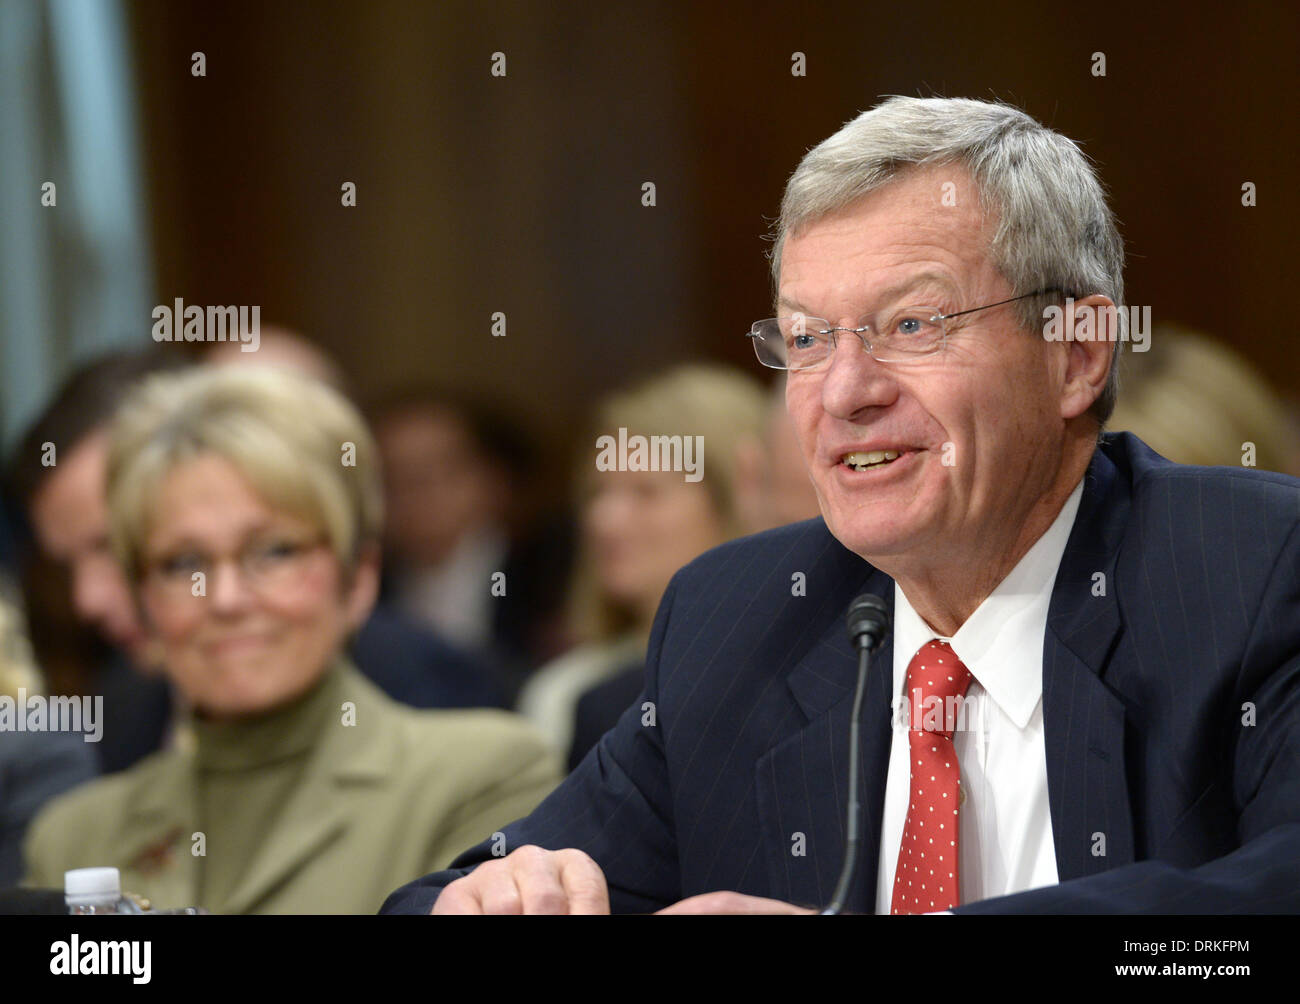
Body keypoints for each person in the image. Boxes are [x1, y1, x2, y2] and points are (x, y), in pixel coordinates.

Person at [381, 95, 1300, 915]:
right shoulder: (739, 621)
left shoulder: (1250, 570)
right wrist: (501, 898)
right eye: (808, 338)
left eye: (912, 325)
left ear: (1078, 355)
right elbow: (446, 897)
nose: (846, 390)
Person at [23, 366, 560, 913]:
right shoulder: (74, 834)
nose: (226, 598)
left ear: (359, 577)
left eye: (274, 551)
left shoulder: (479, 777)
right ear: (144, 597)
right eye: (183, 563)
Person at [514, 364, 767, 768]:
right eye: (598, 493)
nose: (604, 520)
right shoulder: (566, 692)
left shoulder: (801, 672)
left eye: (645, 492)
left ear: (740, 502)